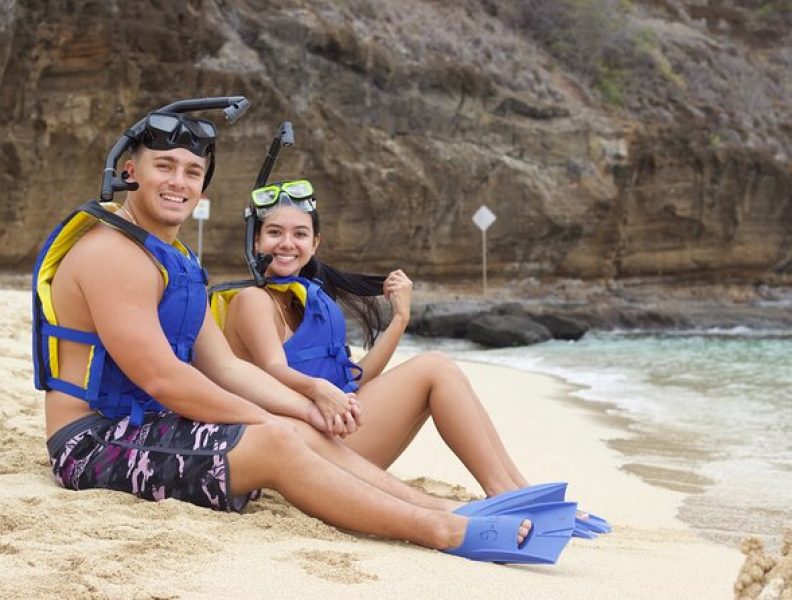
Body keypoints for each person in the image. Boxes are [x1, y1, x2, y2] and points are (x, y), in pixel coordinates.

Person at [33, 103, 579, 565]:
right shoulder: (111, 254)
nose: (179, 181)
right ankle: (446, 533)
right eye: (165, 166)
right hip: (94, 445)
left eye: (192, 172)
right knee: (277, 435)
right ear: (130, 171)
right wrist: (271, 416)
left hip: (153, 428)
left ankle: (445, 510)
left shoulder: (174, 260)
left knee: (298, 424)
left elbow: (226, 367)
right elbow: (165, 378)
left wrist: (307, 402)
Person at [215, 179, 530, 498]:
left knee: (441, 368)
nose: (287, 243)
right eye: (274, 233)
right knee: (436, 367)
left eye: (300, 234)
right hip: (301, 452)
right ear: (256, 241)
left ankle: (518, 489)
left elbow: (356, 379)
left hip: (332, 440)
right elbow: (271, 367)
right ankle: (503, 492)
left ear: (315, 244)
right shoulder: (253, 300)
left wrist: (400, 319)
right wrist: (318, 390)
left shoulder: (304, 301)